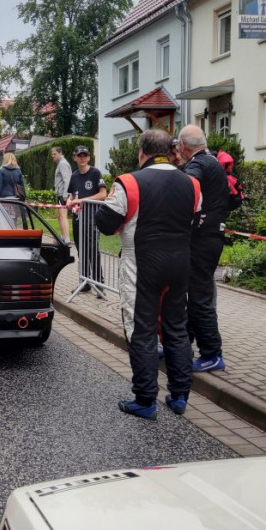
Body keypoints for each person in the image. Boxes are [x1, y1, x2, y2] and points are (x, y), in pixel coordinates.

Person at [96, 129, 201, 419]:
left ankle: (145, 400)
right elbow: (195, 217)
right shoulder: (192, 183)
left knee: (141, 330)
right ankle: (179, 396)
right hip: (180, 263)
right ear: (170, 151)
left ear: (143, 152)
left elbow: (105, 222)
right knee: (177, 328)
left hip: (141, 263)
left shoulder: (129, 182)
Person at [176, 125, 230, 373]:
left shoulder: (198, 164)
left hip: (202, 240)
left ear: (184, 147)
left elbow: (186, 187)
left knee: (199, 298)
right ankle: (184, 345)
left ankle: (212, 354)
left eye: (178, 146)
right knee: (195, 294)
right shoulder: (212, 161)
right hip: (210, 237)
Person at [66, 145, 107, 292]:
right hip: (78, 220)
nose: (82, 158)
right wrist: (69, 202)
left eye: (85, 155)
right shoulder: (74, 175)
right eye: (79, 155)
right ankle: (84, 281)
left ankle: (99, 283)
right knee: (81, 251)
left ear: (89, 157)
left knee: (92, 251)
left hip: (91, 219)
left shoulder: (95, 173)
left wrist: (82, 200)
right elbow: (71, 195)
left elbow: (103, 194)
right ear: (75, 157)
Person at [50, 146, 72, 244]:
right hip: (60, 194)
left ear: (60, 153)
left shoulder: (63, 164)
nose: (53, 156)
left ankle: (66, 238)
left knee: (63, 216)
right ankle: (63, 237)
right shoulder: (61, 163)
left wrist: (65, 195)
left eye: (54, 154)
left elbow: (67, 180)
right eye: (52, 154)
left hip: (63, 194)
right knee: (59, 215)